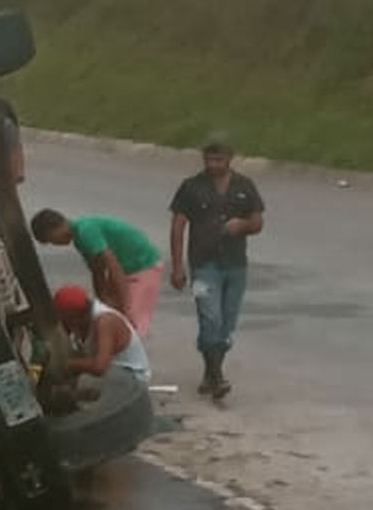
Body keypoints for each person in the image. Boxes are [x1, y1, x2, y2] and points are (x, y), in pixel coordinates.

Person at [169, 138, 265, 399]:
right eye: (209, 159)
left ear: (230, 158)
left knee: (226, 324)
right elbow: (178, 225)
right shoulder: (191, 187)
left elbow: (257, 221)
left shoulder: (244, 186)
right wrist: (177, 266)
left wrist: (241, 226)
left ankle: (211, 373)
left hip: (235, 265)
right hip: (203, 264)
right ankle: (217, 376)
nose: (213, 165)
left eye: (219, 160)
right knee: (210, 318)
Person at [31, 209, 164, 338]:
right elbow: (97, 270)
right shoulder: (79, 238)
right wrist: (103, 300)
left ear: (55, 228)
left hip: (144, 265)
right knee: (113, 315)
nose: (55, 244)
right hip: (127, 269)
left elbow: (113, 266)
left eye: (51, 239)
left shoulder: (85, 231)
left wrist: (125, 305)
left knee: (131, 321)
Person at [50, 283, 151, 409]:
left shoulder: (104, 321)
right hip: (114, 371)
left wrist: (67, 364)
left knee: (83, 383)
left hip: (132, 377)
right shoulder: (82, 321)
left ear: (75, 316)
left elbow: (100, 367)